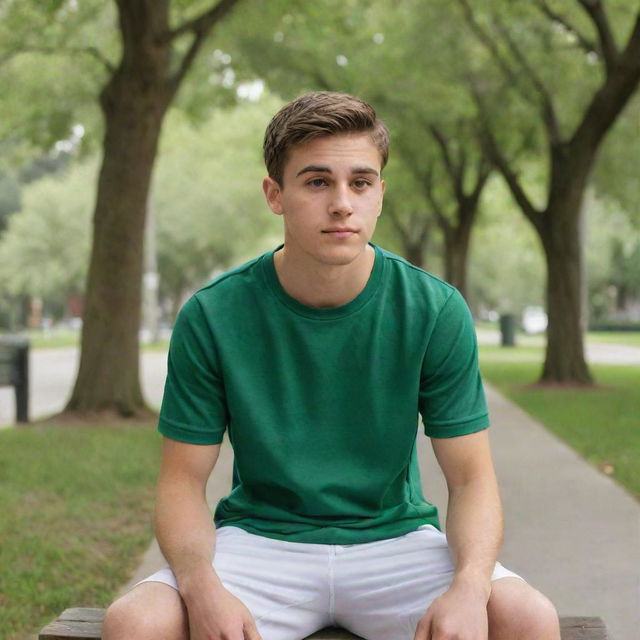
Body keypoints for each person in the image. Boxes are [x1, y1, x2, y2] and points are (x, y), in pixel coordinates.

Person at [103, 92, 560, 640]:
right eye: (317, 182)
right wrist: (201, 587)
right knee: (134, 623)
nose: (342, 203)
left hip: (395, 542)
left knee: (529, 618)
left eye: (360, 183)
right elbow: (181, 482)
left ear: (380, 195)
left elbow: (472, 479)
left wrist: (469, 584)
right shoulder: (213, 314)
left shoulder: (434, 310)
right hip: (261, 541)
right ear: (275, 194)